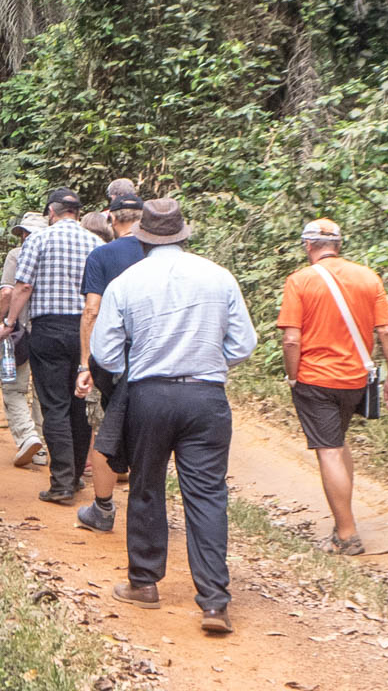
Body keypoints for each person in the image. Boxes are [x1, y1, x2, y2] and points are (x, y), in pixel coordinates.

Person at [90, 198, 256, 635]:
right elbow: (243, 344)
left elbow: (105, 352)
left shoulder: (126, 282)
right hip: (206, 397)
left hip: (149, 395)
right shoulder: (218, 276)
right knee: (207, 495)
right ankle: (215, 602)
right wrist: (207, 360)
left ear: (142, 238)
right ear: (183, 236)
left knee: (146, 486)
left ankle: (144, 583)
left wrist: (135, 367)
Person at [277, 217, 388, 555]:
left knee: (329, 449)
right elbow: (386, 331)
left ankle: (347, 535)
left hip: (315, 378)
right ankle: (343, 522)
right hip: (355, 379)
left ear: (308, 245)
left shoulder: (299, 280)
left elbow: (291, 339)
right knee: (338, 442)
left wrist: (292, 376)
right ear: (338, 244)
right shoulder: (368, 277)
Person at [0, 187, 104, 503]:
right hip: (86, 329)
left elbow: (23, 286)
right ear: (78, 213)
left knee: (55, 405)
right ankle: (77, 478)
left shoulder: (38, 241)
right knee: (78, 403)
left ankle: (62, 483)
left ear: (51, 213)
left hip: (49, 329)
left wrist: (9, 323)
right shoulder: (96, 243)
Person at [73, 192, 146, 532]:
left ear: (112, 220)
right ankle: (145, 507)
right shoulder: (156, 254)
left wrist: (85, 363)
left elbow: (92, 310)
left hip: (113, 358)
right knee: (149, 433)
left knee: (104, 429)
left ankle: (103, 509)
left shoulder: (102, 255)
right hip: (153, 356)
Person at [0, 211, 48, 467]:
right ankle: (41, 447)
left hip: (17, 333)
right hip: (48, 330)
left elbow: (7, 293)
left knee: (13, 387)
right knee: (42, 390)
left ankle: (28, 436)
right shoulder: (54, 257)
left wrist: (1, 322)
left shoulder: (16, 255)